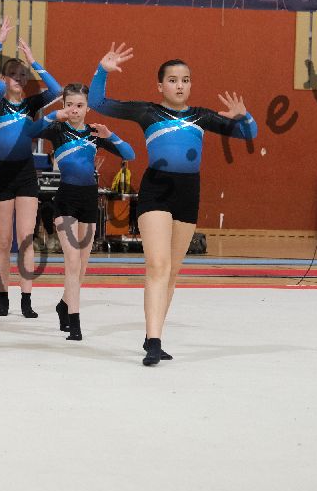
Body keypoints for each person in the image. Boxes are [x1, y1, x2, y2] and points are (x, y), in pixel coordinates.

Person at [89, 44, 258, 365]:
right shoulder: (147, 112)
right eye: (173, 80)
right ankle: (153, 342)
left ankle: (154, 335)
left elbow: (249, 133)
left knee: (173, 271)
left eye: (185, 80)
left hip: (188, 193)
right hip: (157, 189)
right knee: (158, 265)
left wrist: (244, 115)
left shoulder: (202, 116)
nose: (180, 85)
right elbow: (98, 103)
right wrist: (102, 71)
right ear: (160, 86)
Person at [0, 18, 63, 318]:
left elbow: (57, 89)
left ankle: (26, 299)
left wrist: (34, 61)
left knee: (25, 239)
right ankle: (3, 299)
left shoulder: (31, 104)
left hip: (25, 176)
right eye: (13, 74)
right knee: (3, 241)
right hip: (2, 176)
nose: (19, 79)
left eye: (23, 75)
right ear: (3, 78)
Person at [25, 84, 134, 341]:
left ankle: (64, 304)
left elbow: (130, 153)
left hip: (88, 201)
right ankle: (75, 323)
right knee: (72, 262)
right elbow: (28, 132)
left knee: (82, 266)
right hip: (66, 200)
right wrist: (53, 115)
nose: (74, 110)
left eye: (79, 105)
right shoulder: (57, 129)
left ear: (87, 108)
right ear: (63, 105)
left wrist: (110, 135)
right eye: (69, 105)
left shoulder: (95, 134)